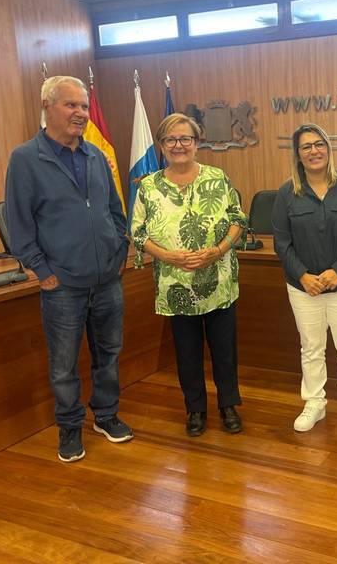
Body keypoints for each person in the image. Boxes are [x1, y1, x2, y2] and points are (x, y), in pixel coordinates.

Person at [5, 75, 133, 463]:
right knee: (64, 365)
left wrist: (119, 250)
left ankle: (106, 416)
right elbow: (19, 222)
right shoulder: (26, 159)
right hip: (61, 285)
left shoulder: (96, 155)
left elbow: (114, 210)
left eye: (83, 106)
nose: (81, 113)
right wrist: (42, 270)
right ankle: (70, 427)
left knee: (109, 354)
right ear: (47, 107)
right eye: (71, 105)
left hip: (107, 279)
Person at [131, 113, 247, 437]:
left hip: (219, 282)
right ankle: (195, 409)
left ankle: (228, 405)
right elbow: (138, 233)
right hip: (176, 286)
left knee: (224, 350)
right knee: (187, 353)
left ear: (196, 143)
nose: (178, 145)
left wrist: (218, 250)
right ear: (161, 145)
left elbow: (239, 219)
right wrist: (166, 255)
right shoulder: (148, 187)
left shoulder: (217, 178)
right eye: (171, 139)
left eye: (185, 138)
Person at [272, 123, 337, 436]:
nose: (314, 151)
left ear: (328, 148)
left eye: (319, 144)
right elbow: (281, 242)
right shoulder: (287, 193)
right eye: (306, 146)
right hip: (304, 288)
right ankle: (315, 402)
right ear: (298, 154)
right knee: (311, 348)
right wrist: (302, 275)